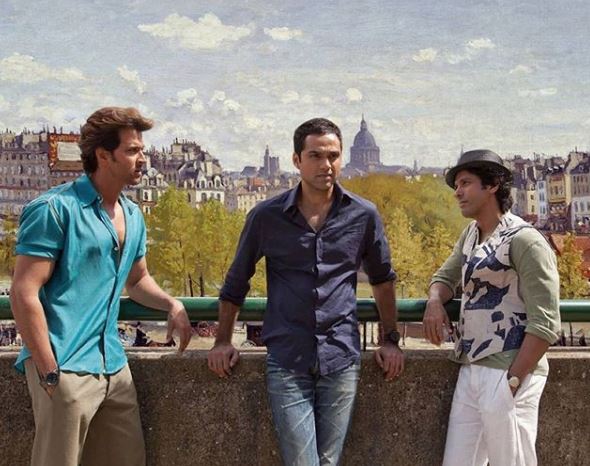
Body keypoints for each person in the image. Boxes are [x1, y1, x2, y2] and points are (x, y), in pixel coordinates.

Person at [208, 118, 404, 465]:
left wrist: (391, 340)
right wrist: (222, 340)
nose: (326, 164)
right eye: (315, 155)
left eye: (333, 156)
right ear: (296, 160)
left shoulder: (363, 215)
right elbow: (237, 281)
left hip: (340, 356)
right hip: (288, 357)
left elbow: (382, 280)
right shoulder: (266, 216)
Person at [9, 107, 192, 466]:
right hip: (64, 365)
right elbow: (22, 291)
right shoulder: (54, 209)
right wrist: (49, 370)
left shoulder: (133, 214)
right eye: (133, 150)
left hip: (114, 367)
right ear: (103, 155)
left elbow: (136, 280)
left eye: (142, 149)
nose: (143, 159)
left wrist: (172, 304)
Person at [423, 149, 560, 466]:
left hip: (510, 369)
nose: (457, 192)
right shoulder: (471, 235)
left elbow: (545, 323)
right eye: (456, 185)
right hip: (472, 367)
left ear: (493, 185)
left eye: (465, 183)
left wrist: (512, 383)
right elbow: (444, 278)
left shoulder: (525, 240)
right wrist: (434, 301)